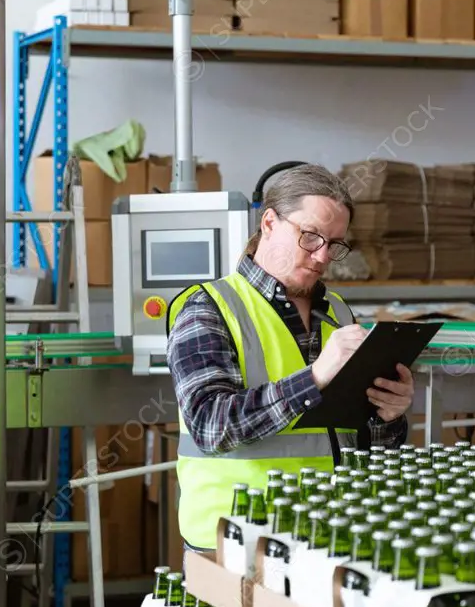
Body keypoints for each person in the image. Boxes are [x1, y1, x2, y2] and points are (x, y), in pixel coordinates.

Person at [166, 164, 415, 554]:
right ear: (268, 222)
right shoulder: (208, 309)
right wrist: (313, 378)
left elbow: (360, 446)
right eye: (310, 236)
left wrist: (389, 416)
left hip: (326, 539)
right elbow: (210, 426)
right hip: (236, 541)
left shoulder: (339, 313)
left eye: (334, 244)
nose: (322, 256)